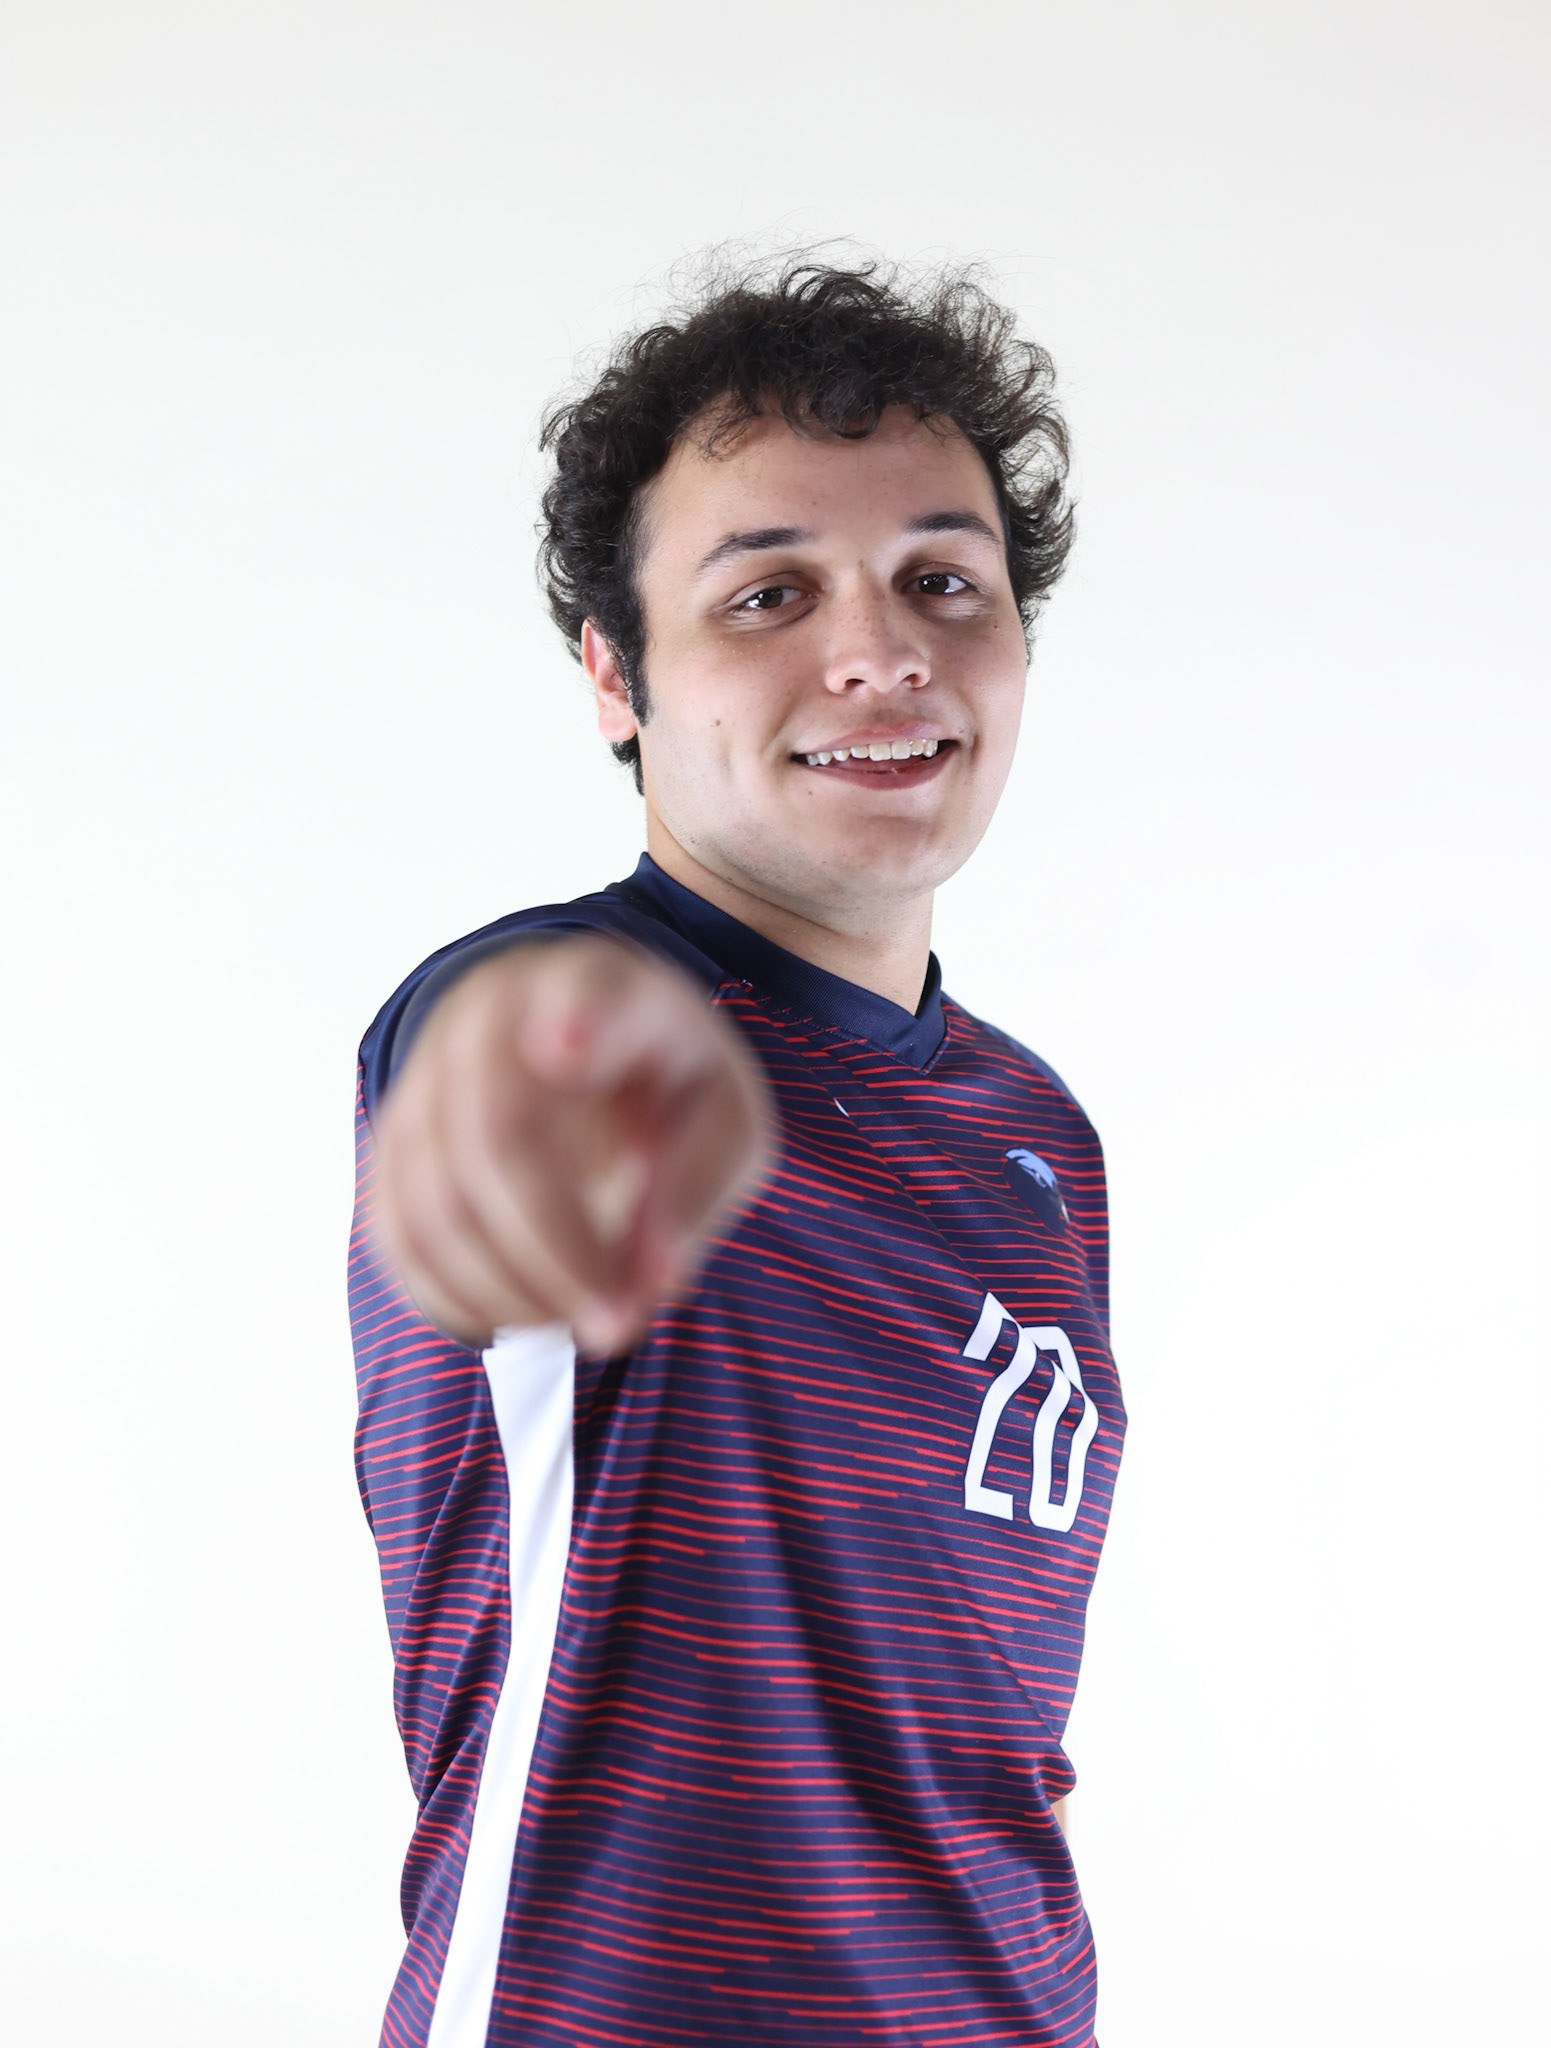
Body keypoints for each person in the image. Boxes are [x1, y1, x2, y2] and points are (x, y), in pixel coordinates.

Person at [350, 254, 1126, 2048]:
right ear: (614, 677)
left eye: (943, 580)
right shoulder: (561, 1013)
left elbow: (984, 1718)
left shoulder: (1041, 1141)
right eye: (769, 594)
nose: (882, 652)